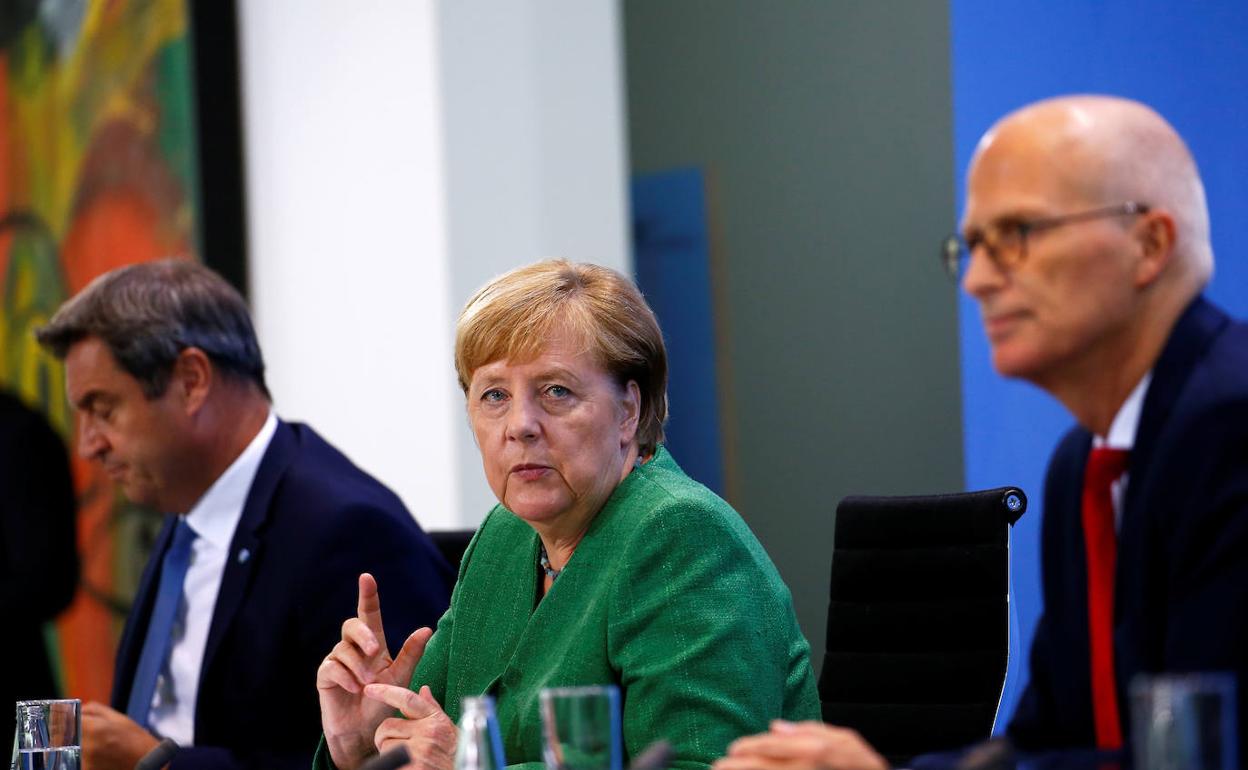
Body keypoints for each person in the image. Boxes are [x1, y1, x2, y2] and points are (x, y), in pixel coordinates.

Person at [715, 95, 1248, 770]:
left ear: (1149, 244)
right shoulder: (1082, 461)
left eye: (1018, 233)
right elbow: (1048, 739)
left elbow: (1203, 756)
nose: (978, 280)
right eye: (970, 247)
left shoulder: (1232, 427)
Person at [315, 260, 820, 770]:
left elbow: (699, 764)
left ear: (629, 412)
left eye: (556, 391)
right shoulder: (506, 536)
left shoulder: (680, 536)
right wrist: (365, 744)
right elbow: (432, 740)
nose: (520, 426)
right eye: (494, 395)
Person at [35, 258, 453, 770]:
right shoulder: (185, 509)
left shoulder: (349, 530)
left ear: (191, 380)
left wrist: (164, 766)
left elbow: (396, 757)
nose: (88, 445)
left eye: (103, 409)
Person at [0, 389, 79, 755]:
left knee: (51, 763)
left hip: (32, 693)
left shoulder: (21, 434)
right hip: (38, 697)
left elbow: (52, 583)